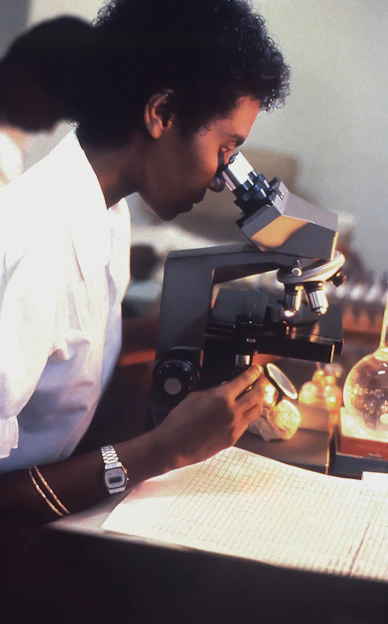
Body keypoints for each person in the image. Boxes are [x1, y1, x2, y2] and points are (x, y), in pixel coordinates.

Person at [0, 0, 290, 524]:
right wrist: (163, 449)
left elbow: (63, 352)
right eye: (227, 147)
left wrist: (169, 330)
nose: (226, 177)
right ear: (161, 114)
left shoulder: (105, 208)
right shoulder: (33, 239)